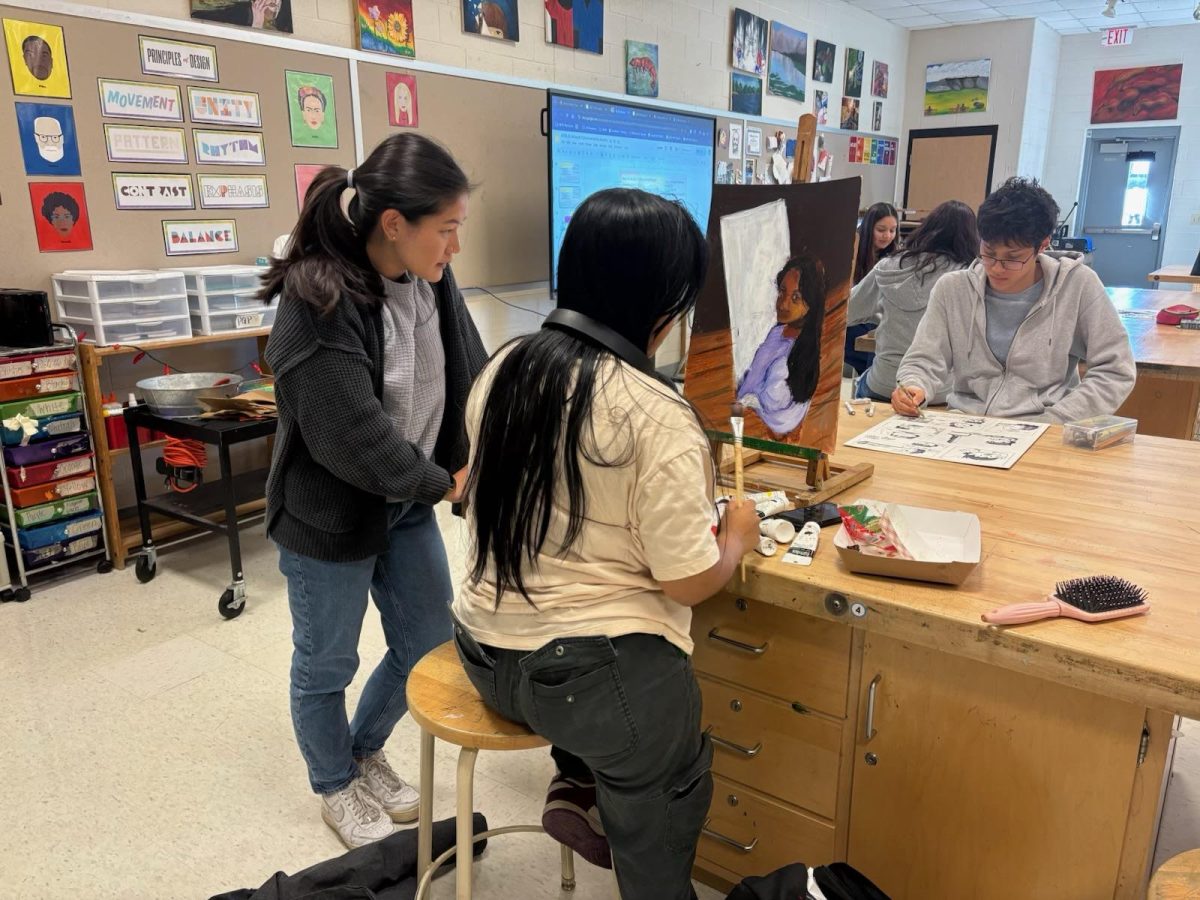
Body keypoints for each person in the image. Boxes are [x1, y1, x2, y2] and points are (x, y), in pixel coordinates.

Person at [451, 188, 761, 900]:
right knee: (665, 773)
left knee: (590, 641)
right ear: (665, 304)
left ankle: (578, 777)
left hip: (484, 655)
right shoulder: (655, 412)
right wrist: (736, 539)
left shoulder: (503, 367)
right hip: (584, 684)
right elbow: (685, 581)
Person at [259, 133, 487, 849]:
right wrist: (444, 484)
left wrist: (488, 447)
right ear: (395, 223)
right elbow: (351, 436)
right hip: (331, 515)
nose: (453, 246)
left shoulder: (430, 278)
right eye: (445, 229)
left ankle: (363, 750)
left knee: (427, 640)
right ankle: (333, 784)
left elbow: (470, 365)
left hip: (406, 502)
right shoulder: (316, 298)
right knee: (327, 659)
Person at [893, 177, 1135, 422]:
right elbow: (924, 357)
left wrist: (1057, 419)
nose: (996, 268)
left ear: (1042, 245)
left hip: (1046, 427)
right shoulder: (953, 289)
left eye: (1012, 258)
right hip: (968, 425)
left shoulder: (1078, 285)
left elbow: (1115, 370)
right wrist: (915, 385)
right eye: (988, 254)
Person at [848, 200, 979, 402]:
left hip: (886, 383)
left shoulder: (889, 265)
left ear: (927, 228)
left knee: (864, 381)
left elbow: (847, 312)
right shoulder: (969, 275)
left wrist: (882, 315)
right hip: (940, 390)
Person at [737, 253, 827, 437]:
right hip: (744, 420)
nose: (783, 304)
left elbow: (777, 409)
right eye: (782, 292)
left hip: (769, 430)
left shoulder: (806, 353)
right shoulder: (776, 333)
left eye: (796, 298)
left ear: (811, 303)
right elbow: (752, 378)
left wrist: (749, 402)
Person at [846, 202, 899, 374]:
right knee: (876, 352)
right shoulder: (853, 250)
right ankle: (870, 385)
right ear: (869, 228)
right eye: (881, 230)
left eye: (892, 230)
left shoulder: (893, 257)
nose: (887, 236)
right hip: (852, 321)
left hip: (874, 321)